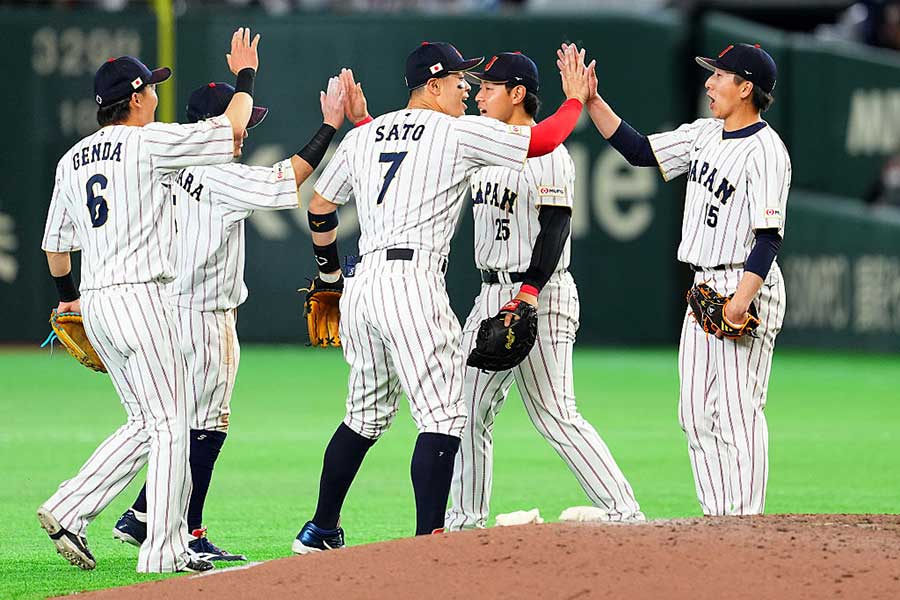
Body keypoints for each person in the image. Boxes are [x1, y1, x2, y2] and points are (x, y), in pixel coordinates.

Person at [291, 41, 593, 553]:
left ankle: (320, 528)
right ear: (433, 85)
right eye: (458, 80)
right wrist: (575, 102)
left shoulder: (366, 137)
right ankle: (429, 543)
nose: (467, 88)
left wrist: (330, 278)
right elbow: (541, 142)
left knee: (363, 416)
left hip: (363, 283)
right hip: (412, 282)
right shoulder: (457, 132)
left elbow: (319, 208)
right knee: (445, 416)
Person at [37, 28, 261, 573]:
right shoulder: (150, 140)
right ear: (135, 97)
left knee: (145, 420)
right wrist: (245, 75)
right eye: (152, 88)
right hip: (144, 299)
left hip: (98, 301)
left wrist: (68, 304)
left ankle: (69, 507)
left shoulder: (72, 160)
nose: (158, 96)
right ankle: (163, 550)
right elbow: (232, 129)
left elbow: (55, 249)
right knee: (170, 424)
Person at [110, 76, 348, 561]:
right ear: (215, 125)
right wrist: (328, 127)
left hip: (161, 308)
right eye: (241, 123)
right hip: (203, 316)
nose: (245, 134)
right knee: (206, 427)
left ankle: (142, 514)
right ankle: (187, 532)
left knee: (172, 423)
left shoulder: (161, 167)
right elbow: (289, 176)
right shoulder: (216, 171)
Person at [578, 42, 790, 515]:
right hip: (703, 287)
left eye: (719, 76)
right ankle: (719, 521)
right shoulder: (703, 134)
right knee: (694, 415)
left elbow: (769, 237)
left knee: (737, 413)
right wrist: (592, 102)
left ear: (746, 87)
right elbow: (638, 150)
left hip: (745, 283)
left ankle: (746, 522)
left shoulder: (767, 152)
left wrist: (741, 300)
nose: (710, 83)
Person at [445, 52, 644, 530]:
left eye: (489, 87)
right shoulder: (483, 148)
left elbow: (555, 227)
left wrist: (529, 293)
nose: (479, 94)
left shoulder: (550, 154)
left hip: (540, 293)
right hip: (489, 292)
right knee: (465, 409)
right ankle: (465, 521)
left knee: (554, 413)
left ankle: (625, 512)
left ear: (517, 94)